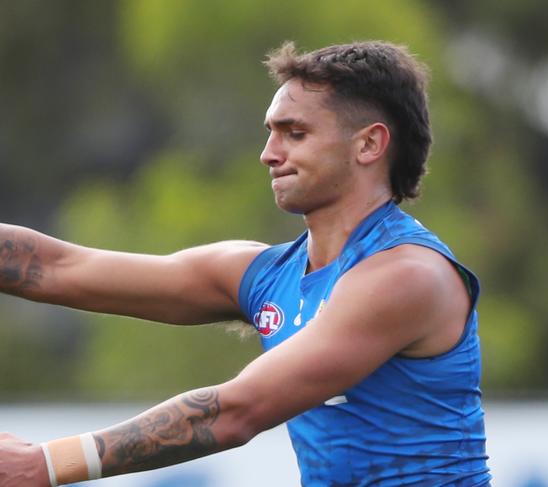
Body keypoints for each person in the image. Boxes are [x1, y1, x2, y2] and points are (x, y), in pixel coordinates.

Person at [0, 41, 491, 486]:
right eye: (270, 133)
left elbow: (235, 412)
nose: (268, 154)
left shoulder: (406, 275)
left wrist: (46, 464)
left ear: (368, 144)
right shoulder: (267, 274)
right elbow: (63, 266)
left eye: (294, 133)